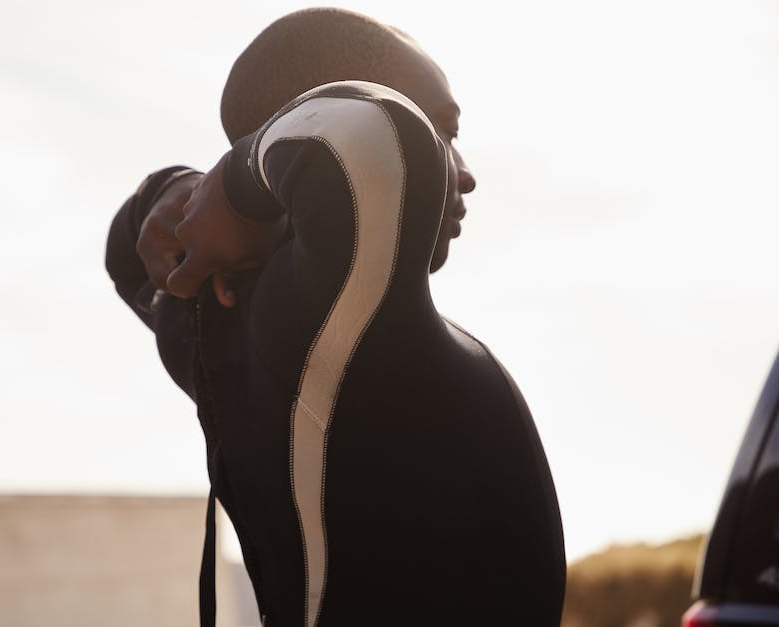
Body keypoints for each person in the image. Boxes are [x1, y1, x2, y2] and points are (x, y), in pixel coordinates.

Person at [106, 8, 565, 626]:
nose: (462, 170)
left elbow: (127, 258)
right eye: (442, 134)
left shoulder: (210, 327)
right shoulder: (330, 322)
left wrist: (171, 190)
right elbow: (368, 137)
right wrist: (238, 183)